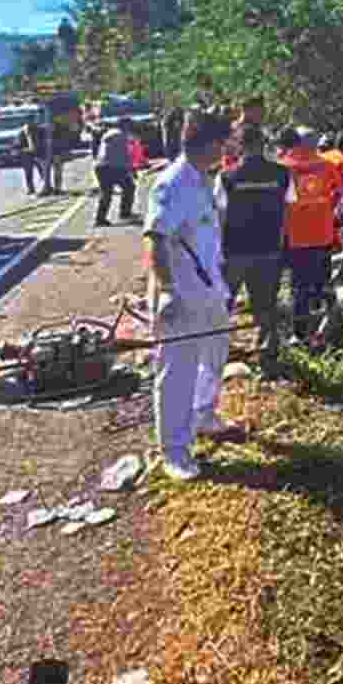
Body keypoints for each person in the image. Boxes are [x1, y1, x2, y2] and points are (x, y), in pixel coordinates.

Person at [143, 112, 245, 482]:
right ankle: (174, 451)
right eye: (224, 142)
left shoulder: (205, 180)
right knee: (177, 372)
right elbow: (155, 241)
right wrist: (168, 291)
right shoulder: (172, 184)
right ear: (210, 144)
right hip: (181, 294)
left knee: (215, 354)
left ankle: (203, 415)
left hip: (209, 289)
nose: (228, 149)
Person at [215, 124, 296, 375]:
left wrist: (217, 251)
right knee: (266, 307)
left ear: (240, 146)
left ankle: (216, 356)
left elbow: (220, 216)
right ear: (264, 145)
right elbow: (289, 208)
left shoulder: (226, 176)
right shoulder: (283, 174)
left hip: (234, 251)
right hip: (269, 249)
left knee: (221, 305)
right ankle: (268, 360)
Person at [276, 126, 339, 341]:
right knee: (320, 283)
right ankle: (321, 331)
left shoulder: (282, 166)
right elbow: (338, 193)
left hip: (296, 235)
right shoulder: (327, 165)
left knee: (299, 285)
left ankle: (300, 333)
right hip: (323, 234)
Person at [93, 119, 138, 227]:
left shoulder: (109, 134)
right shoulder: (122, 136)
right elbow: (125, 155)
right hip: (112, 167)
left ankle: (100, 219)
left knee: (106, 193)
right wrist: (132, 170)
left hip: (101, 166)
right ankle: (124, 213)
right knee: (129, 187)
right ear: (125, 126)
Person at [18, 121, 47, 195]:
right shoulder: (21, 134)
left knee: (42, 169)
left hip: (38, 153)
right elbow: (19, 147)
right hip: (27, 154)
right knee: (28, 172)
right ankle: (30, 188)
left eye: (28, 130)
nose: (27, 131)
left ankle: (45, 185)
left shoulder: (38, 132)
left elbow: (41, 143)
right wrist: (27, 149)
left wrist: (37, 151)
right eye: (25, 130)